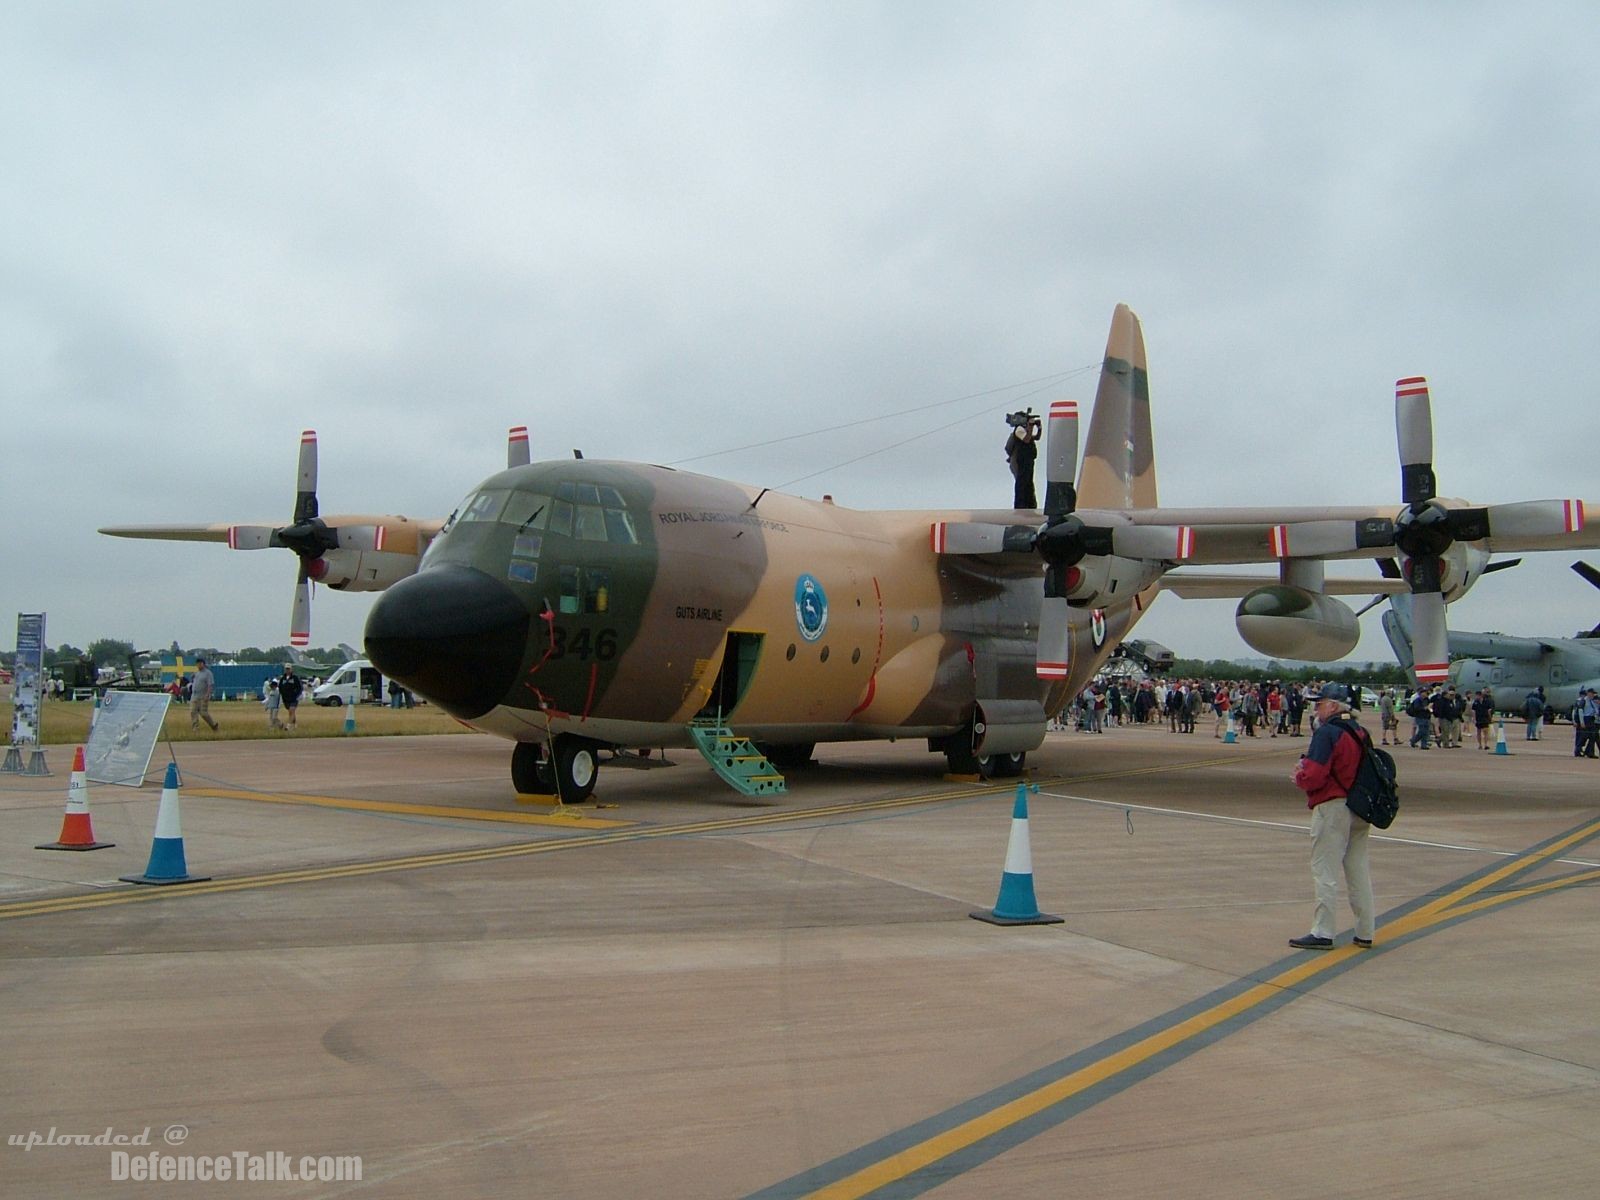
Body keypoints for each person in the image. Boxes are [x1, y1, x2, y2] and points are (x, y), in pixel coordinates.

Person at [1288, 684, 1376, 950]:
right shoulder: (1361, 732)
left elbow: (1314, 774)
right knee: (1358, 869)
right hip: (1360, 806)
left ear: (1335, 706)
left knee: (1324, 869)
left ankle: (1323, 931)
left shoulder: (1327, 733)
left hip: (1333, 806)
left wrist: (1299, 776)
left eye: (1321, 703)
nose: (1316, 708)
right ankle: (1365, 930)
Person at [189, 657, 219, 732]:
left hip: (203, 696)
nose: (198, 665)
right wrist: (192, 677)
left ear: (203, 664)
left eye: (200, 663)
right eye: (197, 664)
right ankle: (195, 729)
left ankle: (213, 725)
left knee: (203, 713)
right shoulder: (196, 673)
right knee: (193, 711)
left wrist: (207, 694)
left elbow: (210, 685)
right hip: (194, 696)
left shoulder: (208, 673)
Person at [275, 664, 305, 731]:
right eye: (286, 669)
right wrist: (282, 694)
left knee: (292, 710)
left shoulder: (295, 678)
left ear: (291, 669)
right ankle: (294, 725)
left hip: (294, 698)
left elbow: (300, 687)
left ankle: (288, 726)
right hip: (286, 699)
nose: (287, 670)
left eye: (288, 669)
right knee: (291, 712)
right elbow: (280, 687)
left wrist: (296, 694)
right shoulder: (283, 679)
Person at [1574, 688, 1600, 759]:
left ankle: (1590, 752)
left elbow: (1595, 710)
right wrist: (1582, 722)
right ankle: (1577, 751)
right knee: (1583, 736)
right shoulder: (1584, 701)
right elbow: (1580, 711)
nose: (1593, 695)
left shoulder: (1591, 701)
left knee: (1593, 736)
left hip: (1591, 719)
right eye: (1592, 693)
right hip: (1586, 719)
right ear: (1588, 693)